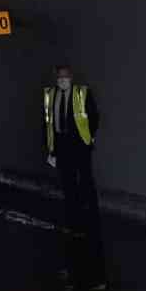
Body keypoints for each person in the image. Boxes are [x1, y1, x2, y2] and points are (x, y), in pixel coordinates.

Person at [43, 62, 101, 233]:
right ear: (56, 78)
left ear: (71, 77)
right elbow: (46, 122)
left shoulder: (81, 92)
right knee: (67, 180)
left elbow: (94, 117)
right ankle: (73, 216)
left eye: (65, 76)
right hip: (61, 144)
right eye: (59, 76)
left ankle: (91, 215)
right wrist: (50, 148)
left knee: (85, 180)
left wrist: (88, 137)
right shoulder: (50, 95)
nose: (62, 79)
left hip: (80, 144)